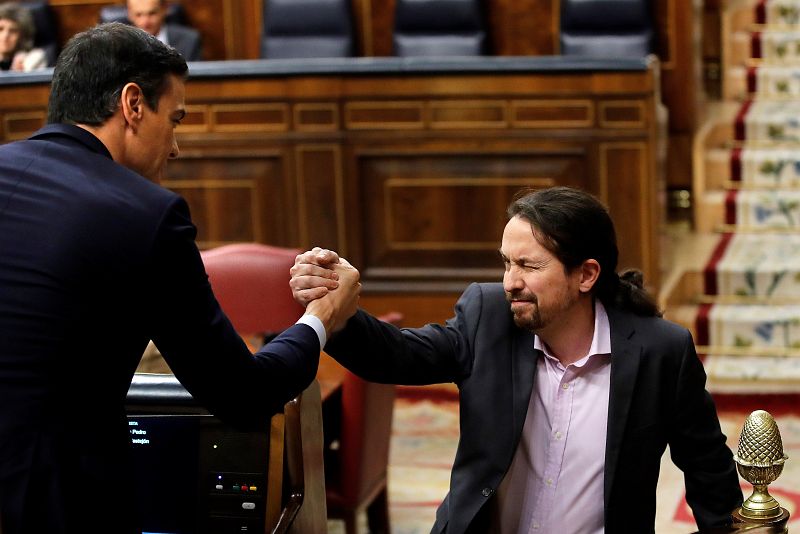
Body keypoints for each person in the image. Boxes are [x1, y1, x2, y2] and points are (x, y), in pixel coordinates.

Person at [0, 22, 359, 533]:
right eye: (175, 120)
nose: (175, 148)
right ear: (132, 105)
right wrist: (320, 317)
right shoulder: (145, 214)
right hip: (56, 502)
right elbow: (241, 394)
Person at [291, 186, 743, 533]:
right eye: (506, 263)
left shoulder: (659, 352)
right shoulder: (489, 317)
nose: (509, 282)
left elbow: (709, 473)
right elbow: (397, 357)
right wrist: (337, 310)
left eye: (528, 266)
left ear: (586, 275)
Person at [127, 0, 202, 61]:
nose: (145, 22)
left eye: (152, 13)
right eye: (138, 14)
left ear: (165, 9)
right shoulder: (120, 43)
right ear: (129, 14)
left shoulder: (189, 40)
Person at [0, 2, 46, 72]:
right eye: (1, 29)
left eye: (13, 31)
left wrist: (20, 72)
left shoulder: (34, 58)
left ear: (23, 36)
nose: (5, 36)